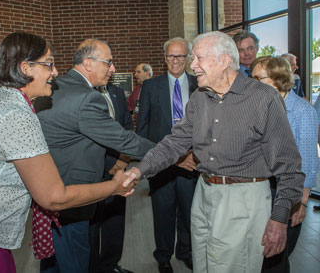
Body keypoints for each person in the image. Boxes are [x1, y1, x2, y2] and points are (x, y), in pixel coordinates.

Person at [0, 32, 135, 273]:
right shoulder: (16, 114)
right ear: (25, 68)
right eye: (49, 64)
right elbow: (53, 197)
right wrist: (114, 187)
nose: (55, 72)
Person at [123, 31, 305, 273]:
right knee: (204, 265)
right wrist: (138, 169)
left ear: (223, 61)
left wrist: (279, 219)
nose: (192, 64)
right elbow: (174, 142)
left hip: (243, 199)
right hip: (204, 192)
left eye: (198, 58)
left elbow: (290, 167)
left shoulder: (263, 98)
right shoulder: (199, 98)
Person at [37, 39, 155, 273]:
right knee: (74, 262)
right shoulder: (86, 97)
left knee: (54, 262)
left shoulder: (55, 85)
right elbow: (124, 140)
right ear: (88, 63)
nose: (113, 69)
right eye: (108, 62)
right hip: (71, 196)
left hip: (49, 188)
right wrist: (170, 151)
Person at [136, 37, 198, 273]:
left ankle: (186, 251)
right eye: (171, 56)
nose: (175, 60)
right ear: (164, 58)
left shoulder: (198, 84)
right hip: (161, 162)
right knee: (162, 212)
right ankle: (163, 257)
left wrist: (195, 154)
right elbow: (143, 127)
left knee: (188, 210)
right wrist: (148, 161)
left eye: (180, 56)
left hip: (192, 160)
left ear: (188, 58)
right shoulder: (151, 86)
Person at [251, 56, 318, 273]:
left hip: (288, 192)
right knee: (264, 251)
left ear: (277, 79)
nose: (252, 83)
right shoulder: (260, 107)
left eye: (258, 78)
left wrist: (302, 202)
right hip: (262, 188)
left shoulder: (302, 111)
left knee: (276, 255)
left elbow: (307, 159)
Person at [89, 83, 134, 273]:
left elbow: (127, 126)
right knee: (91, 225)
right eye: (107, 63)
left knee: (114, 220)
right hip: (91, 170)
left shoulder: (116, 92)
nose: (111, 68)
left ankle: (110, 266)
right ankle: (91, 268)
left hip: (118, 168)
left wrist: (123, 160)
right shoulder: (82, 93)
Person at [127, 63, 153, 128]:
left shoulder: (156, 88)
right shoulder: (136, 90)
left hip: (153, 127)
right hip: (140, 126)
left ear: (147, 73)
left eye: (138, 72)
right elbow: (128, 105)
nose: (135, 74)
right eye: (135, 72)